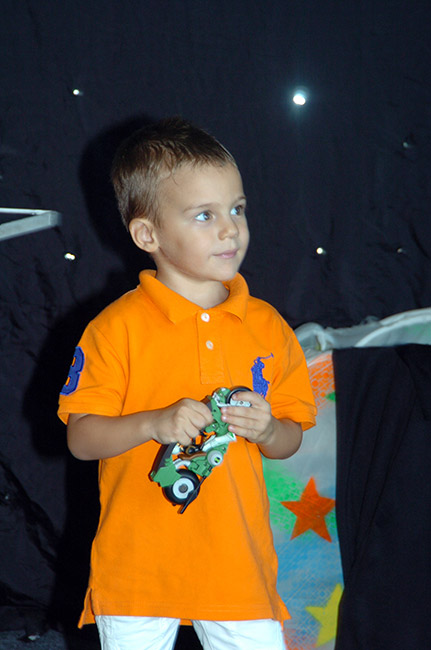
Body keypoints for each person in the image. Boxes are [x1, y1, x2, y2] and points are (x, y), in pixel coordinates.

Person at [58, 117, 316, 650]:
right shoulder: (114, 328)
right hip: (137, 569)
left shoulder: (268, 327)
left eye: (237, 209)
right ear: (147, 235)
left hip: (237, 568)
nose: (230, 229)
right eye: (205, 215)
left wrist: (269, 431)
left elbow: (291, 438)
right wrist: (152, 423)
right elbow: (80, 438)